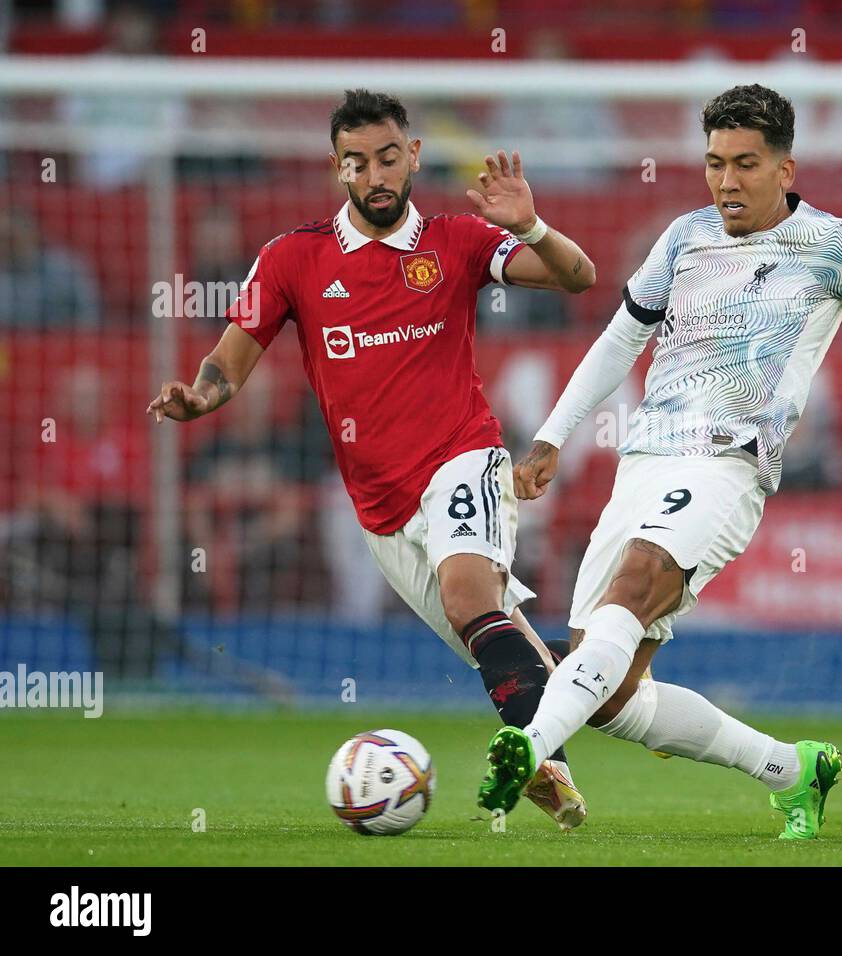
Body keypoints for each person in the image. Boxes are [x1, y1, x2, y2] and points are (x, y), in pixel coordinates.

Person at [476, 84, 842, 839]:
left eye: (744, 164)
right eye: (714, 163)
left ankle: (533, 748)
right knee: (614, 693)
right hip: (646, 458)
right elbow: (621, 337)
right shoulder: (684, 237)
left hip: (729, 464)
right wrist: (553, 435)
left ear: (785, 168)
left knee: (638, 579)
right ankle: (794, 770)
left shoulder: (835, 245)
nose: (725, 181)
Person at [146, 89, 597, 830]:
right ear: (338, 169)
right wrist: (201, 397)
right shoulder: (293, 258)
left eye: (389, 157)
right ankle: (617, 705)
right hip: (379, 507)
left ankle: (542, 760)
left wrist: (533, 226)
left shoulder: (458, 240)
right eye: (358, 162)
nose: (376, 174)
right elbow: (228, 364)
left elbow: (576, 277)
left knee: (466, 596)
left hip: (465, 456)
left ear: (413, 155)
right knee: (502, 640)